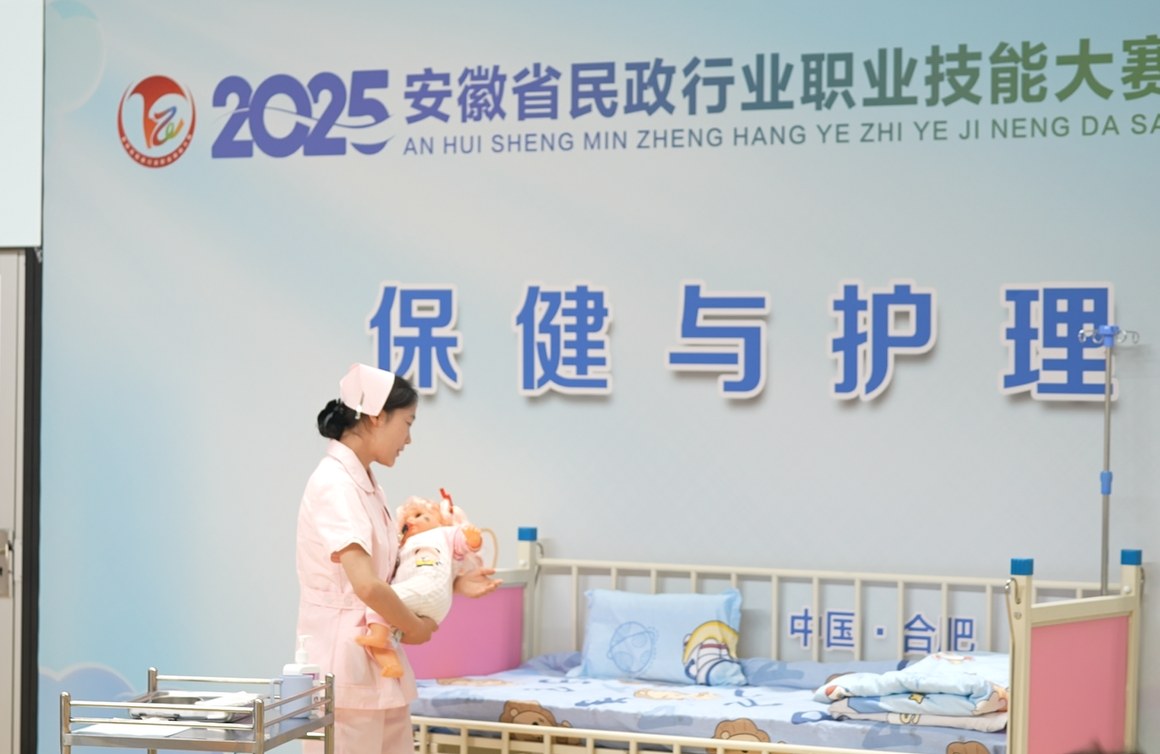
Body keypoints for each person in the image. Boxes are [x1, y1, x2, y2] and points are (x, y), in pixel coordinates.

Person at [296, 363, 499, 754]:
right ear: (377, 417)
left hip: (378, 660)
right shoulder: (336, 484)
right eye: (407, 423)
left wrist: (454, 581)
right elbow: (367, 585)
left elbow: (391, 572)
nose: (408, 438)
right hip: (345, 661)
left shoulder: (367, 484)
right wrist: (415, 627)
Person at [356, 495, 485, 677]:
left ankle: (377, 635)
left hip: (428, 586)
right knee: (390, 632)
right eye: (406, 521)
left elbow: (461, 538)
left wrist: (472, 539)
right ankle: (391, 664)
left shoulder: (442, 534)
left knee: (379, 600)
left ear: (440, 520)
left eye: (418, 515)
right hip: (422, 600)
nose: (411, 520)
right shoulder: (403, 547)